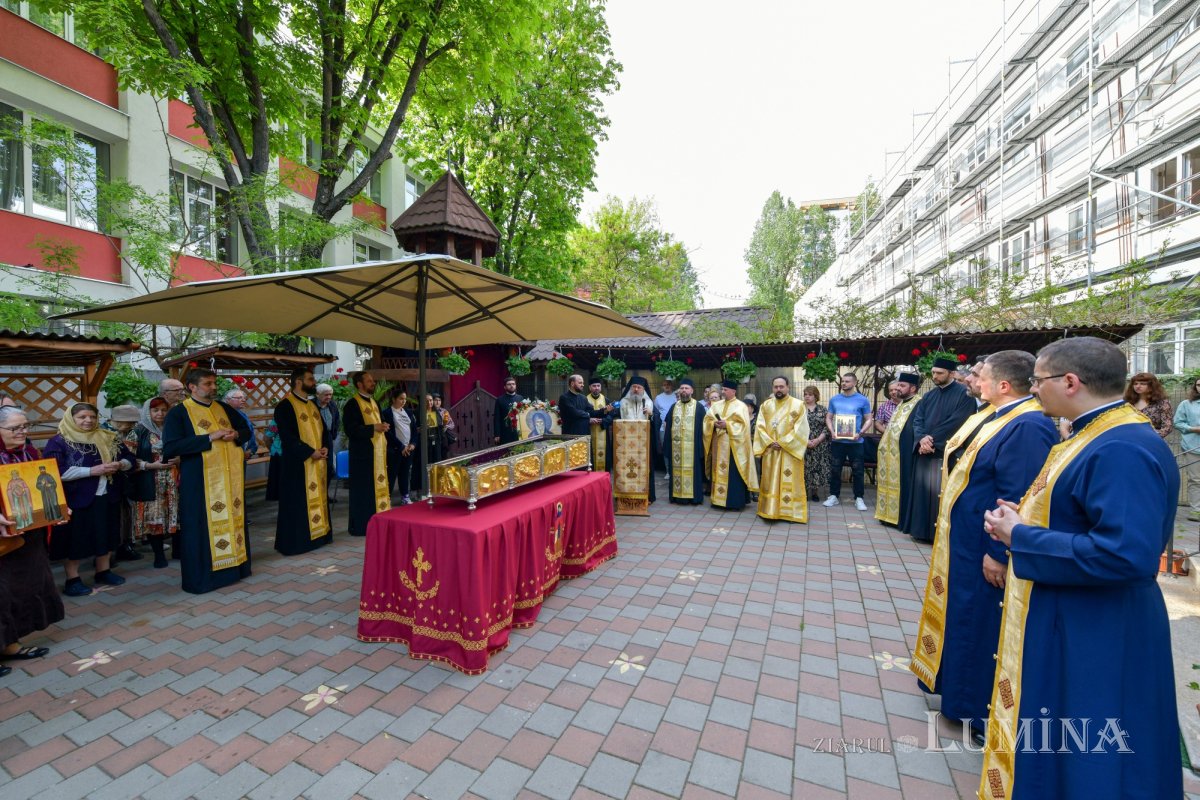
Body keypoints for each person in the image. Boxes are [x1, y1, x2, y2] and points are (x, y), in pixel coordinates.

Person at [980, 337, 1181, 800]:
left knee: (1093, 744)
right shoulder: (1096, 431)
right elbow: (1078, 512)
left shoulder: (1121, 446)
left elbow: (1124, 553)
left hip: (1099, 627)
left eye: (1039, 381)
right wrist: (1026, 516)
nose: (1033, 391)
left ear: (1070, 382)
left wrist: (1021, 537)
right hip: (1078, 613)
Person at [910, 351, 1057, 747]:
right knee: (962, 614)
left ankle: (976, 709)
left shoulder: (1028, 426)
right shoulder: (992, 415)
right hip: (965, 541)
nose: (971, 380)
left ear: (1003, 385)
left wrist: (1000, 552)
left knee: (979, 621)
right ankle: (954, 692)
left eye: (980, 376)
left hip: (985, 546)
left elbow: (1016, 496)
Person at [162, 368, 253, 594]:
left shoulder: (222, 407)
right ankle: (205, 578)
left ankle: (235, 568)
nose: (213, 387)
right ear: (192, 387)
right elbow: (171, 447)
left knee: (233, 520)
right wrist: (208, 437)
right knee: (201, 528)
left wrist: (236, 435)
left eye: (214, 383)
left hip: (229, 480)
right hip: (201, 481)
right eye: (208, 384)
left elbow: (245, 430)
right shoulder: (179, 413)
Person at [44, 402, 138, 596]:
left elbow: (131, 458)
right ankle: (72, 579)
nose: (88, 421)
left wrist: (121, 463)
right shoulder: (60, 441)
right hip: (77, 499)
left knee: (106, 533)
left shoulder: (108, 437)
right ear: (72, 418)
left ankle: (103, 571)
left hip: (107, 495)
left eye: (92, 417)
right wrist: (92, 471)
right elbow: (55, 471)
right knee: (75, 539)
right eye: (82, 417)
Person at [0, 405, 63, 669]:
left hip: (28, 534)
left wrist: (56, 507)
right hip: (3, 537)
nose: (22, 432)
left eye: (25, 426)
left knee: (22, 588)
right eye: (15, 428)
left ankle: (10, 644)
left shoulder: (29, 452)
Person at [901, 357, 976, 542]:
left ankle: (937, 534)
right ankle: (919, 531)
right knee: (921, 493)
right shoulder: (928, 395)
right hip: (923, 451)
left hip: (943, 454)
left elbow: (957, 421)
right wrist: (921, 438)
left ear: (951, 373)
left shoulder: (964, 395)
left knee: (937, 494)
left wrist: (931, 440)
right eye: (933, 372)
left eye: (939, 373)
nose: (935, 376)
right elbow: (918, 419)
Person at [272, 367, 331, 556]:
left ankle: (320, 535)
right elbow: (288, 437)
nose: (314, 382)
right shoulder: (285, 406)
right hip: (296, 465)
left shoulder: (312, 405)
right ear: (299, 381)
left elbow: (325, 431)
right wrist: (309, 452)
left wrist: (325, 447)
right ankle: (298, 543)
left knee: (318, 499)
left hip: (316, 462)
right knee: (297, 504)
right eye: (310, 379)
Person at [125, 398, 180, 568]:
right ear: (147, 412)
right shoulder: (138, 431)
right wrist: (149, 465)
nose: (160, 414)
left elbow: (184, 448)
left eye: (164, 410)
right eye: (155, 410)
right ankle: (159, 555)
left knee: (176, 515)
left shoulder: (173, 429)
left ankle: (178, 550)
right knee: (154, 518)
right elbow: (127, 459)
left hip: (174, 480)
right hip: (151, 481)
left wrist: (180, 459)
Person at [341, 371, 390, 535]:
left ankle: (379, 521)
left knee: (376, 490)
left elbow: (379, 421)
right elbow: (351, 430)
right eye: (369, 381)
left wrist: (383, 425)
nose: (373, 383)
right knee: (363, 493)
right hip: (362, 457)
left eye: (372, 380)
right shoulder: (352, 405)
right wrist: (373, 428)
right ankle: (362, 526)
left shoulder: (374, 402)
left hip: (378, 455)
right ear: (359, 384)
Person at [754, 376, 809, 523]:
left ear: (788, 387)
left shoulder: (798, 405)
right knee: (770, 480)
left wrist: (783, 442)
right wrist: (770, 442)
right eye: (776, 387)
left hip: (789, 451)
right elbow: (759, 426)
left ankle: (790, 512)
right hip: (771, 450)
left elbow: (801, 429)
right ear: (773, 388)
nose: (778, 389)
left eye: (781, 386)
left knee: (789, 481)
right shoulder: (765, 405)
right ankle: (769, 510)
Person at [874, 373, 922, 527]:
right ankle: (887, 515)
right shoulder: (901, 404)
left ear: (913, 388)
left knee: (903, 484)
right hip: (891, 453)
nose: (897, 389)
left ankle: (900, 518)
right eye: (898, 385)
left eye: (902, 386)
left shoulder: (919, 403)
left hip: (905, 453)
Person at [703, 380, 758, 510]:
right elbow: (707, 420)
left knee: (733, 475)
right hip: (718, 445)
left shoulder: (741, 406)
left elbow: (744, 426)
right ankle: (718, 500)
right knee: (718, 471)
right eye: (722, 390)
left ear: (733, 391)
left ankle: (734, 502)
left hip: (734, 447)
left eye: (725, 390)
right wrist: (713, 424)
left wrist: (727, 425)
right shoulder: (716, 405)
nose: (723, 392)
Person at [823, 373, 873, 511]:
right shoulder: (834, 399)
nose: (844, 383)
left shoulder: (863, 400)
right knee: (835, 469)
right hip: (838, 442)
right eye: (843, 381)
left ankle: (859, 498)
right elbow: (829, 418)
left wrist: (860, 432)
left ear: (855, 383)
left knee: (858, 470)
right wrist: (832, 432)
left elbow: (869, 419)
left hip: (856, 443)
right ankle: (833, 496)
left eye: (847, 381)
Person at [613, 375, 659, 506]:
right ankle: (624, 494)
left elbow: (656, 422)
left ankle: (646, 495)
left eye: (639, 387)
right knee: (624, 467)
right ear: (630, 388)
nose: (636, 390)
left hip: (643, 443)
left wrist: (651, 414)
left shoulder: (649, 402)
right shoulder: (623, 402)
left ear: (643, 389)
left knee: (645, 467)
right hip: (625, 443)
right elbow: (616, 419)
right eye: (634, 387)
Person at [107, 404, 144, 564]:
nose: (132, 425)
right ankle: (108, 553)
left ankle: (125, 546)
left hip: (126, 480)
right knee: (111, 518)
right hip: (109, 481)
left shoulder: (129, 433)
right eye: (128, 422)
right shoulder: (106, 433)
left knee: (127, 515)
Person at [663, 378, 706, 504]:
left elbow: (703, 430)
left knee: (694, 473)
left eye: (686, 388)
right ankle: (676, 496)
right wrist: (667, 447)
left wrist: (701, 449)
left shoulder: (699, 407)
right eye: (682, 388)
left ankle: (694, 498)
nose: (684, 391)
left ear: (692, 391)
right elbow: (668, 427)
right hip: (676, 448)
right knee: (675, 472)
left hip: (692, 450)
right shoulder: (673, 407)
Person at [384, 387, 417, 504]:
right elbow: (388, 433)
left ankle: (405, 496)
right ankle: (386, 498)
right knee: (391, 474)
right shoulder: (387, 413)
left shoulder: (408, 412)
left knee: (405, 473)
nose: (403, 401)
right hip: (395, 450)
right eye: (400, 399)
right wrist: (401, 446)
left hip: (408, 450)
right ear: (393, 399)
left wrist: (412, 444)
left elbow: (413, 430)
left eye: (405, 399)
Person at [1174, 377, 1200, 522]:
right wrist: (1193, 429)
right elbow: (1178, 423)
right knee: (1195, 480)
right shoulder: (1186, 404)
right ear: (1195, 387)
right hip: (1193, 446)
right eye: (1199, 385)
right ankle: (1196, 510)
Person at [802, 387, 831, 502]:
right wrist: (805, 441)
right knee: (804, 467)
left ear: (816, 396)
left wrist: (818, 440)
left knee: (817, 468)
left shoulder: (823, 410)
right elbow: (795, 426)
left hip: (819, 444)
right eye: (805, 394)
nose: (807, 397)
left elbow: (827, 426)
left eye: (810, 394)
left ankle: (815, 492)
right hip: (803, 443)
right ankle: (803, 491)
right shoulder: (800, 409)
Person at [1124, 371, 1173, 438]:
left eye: (1142, 384)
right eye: (1135, 384)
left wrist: (1151, 438)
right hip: (1129, 439)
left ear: (1151, 386)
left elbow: (1168, 427)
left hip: (1152, 440)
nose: (1138, 386)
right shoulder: (1127, 402)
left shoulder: (1162, 402)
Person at [585, 377, 612, 470]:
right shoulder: (584, 400)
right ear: (590, 387)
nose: (596, 388)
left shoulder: (606, 400)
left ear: (600, 387)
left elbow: (611, 416)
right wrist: (589, 420)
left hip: (602, 431)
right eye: (594, 386)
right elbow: (583, 415)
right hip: (589, 431)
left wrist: (603, 421)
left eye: (598, 386)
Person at [224, 388, 258, 458]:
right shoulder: (223, 415)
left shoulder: (242, 414)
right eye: (239, 398)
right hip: (231, 455)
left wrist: (251, 450)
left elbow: (250, 432)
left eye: (244, 398)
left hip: (244, 454)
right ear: (228, 400)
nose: (243, 400)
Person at [653, 379, 676, 468]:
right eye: (664, 384)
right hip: (663, 428)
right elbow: (656, 413)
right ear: (662, 387)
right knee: (665, 449)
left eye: (669, 384)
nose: (667, 386)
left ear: (672, 386)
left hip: (675, 428)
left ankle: (674, 469)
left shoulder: (676, 396)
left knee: (675, 449)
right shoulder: (658, 398)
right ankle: (667, 471)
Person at [493, 377, 523, 445]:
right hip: (505, 432)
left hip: (518, 432)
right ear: (505, 387)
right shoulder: (499, 400)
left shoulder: (520, 398)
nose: (512, 386)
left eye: (513, 384)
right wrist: (497, 434)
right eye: (509, 384)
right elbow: (497, 418)